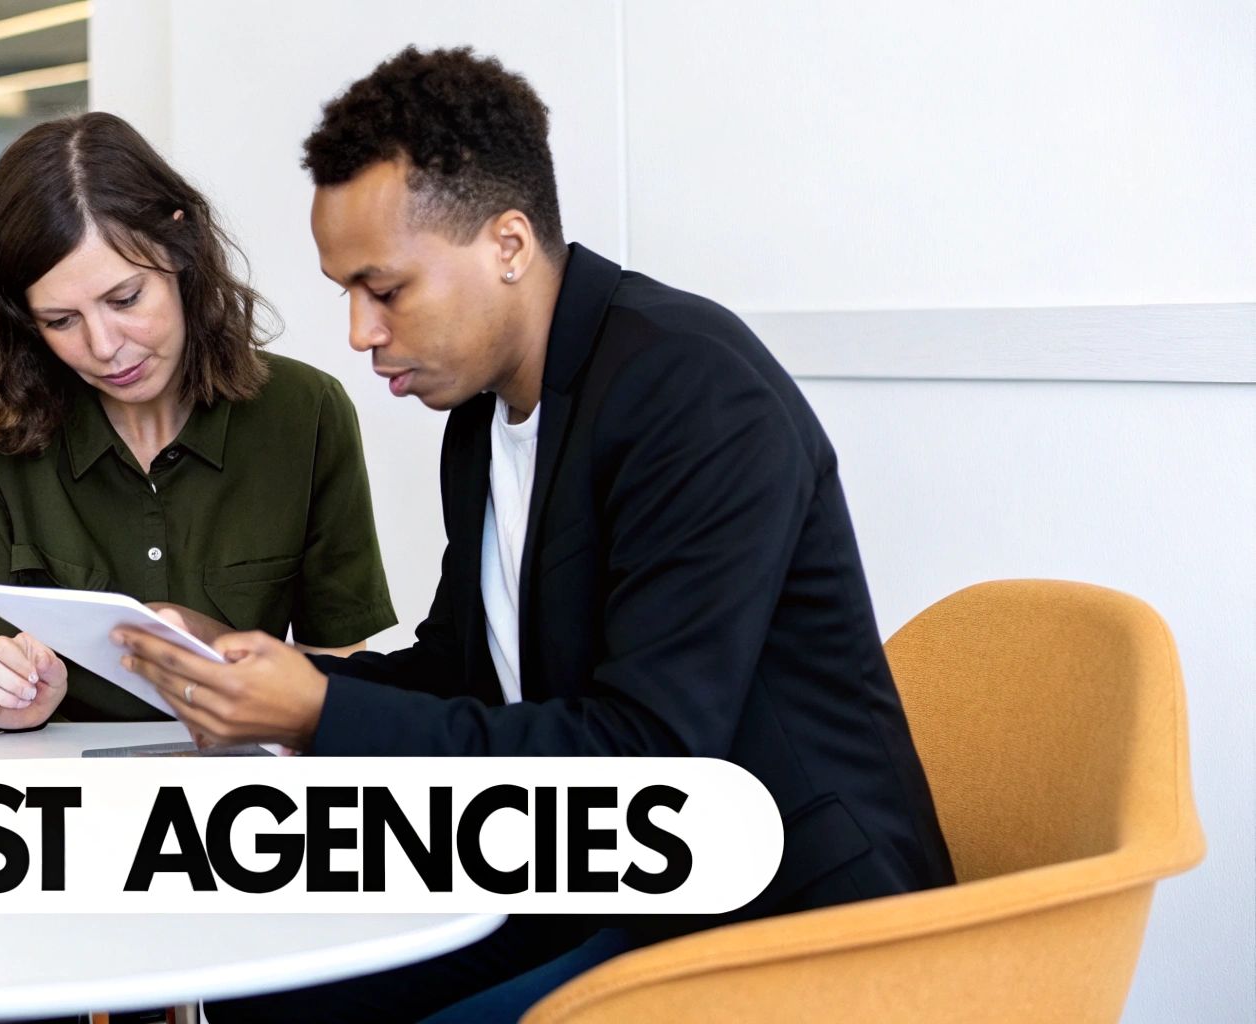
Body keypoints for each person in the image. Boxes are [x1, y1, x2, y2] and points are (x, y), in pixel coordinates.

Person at [115, 47, 956, 1021]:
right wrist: (243, 667)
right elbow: (462, 669)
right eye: (344, 289)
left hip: (772, 913)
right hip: (600, 865)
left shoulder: (692, 391)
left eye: (383, 289)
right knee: (266, 989)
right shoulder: (483, 416)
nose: (356, 330)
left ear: (507, 244)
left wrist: (314, 714)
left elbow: (649, 756)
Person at [0, 112, 397, 734]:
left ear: (181, 251)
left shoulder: (306, 413)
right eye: (60, 321)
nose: (105, 346)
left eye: (125, 300)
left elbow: (333, 667)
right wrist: (9, 698)